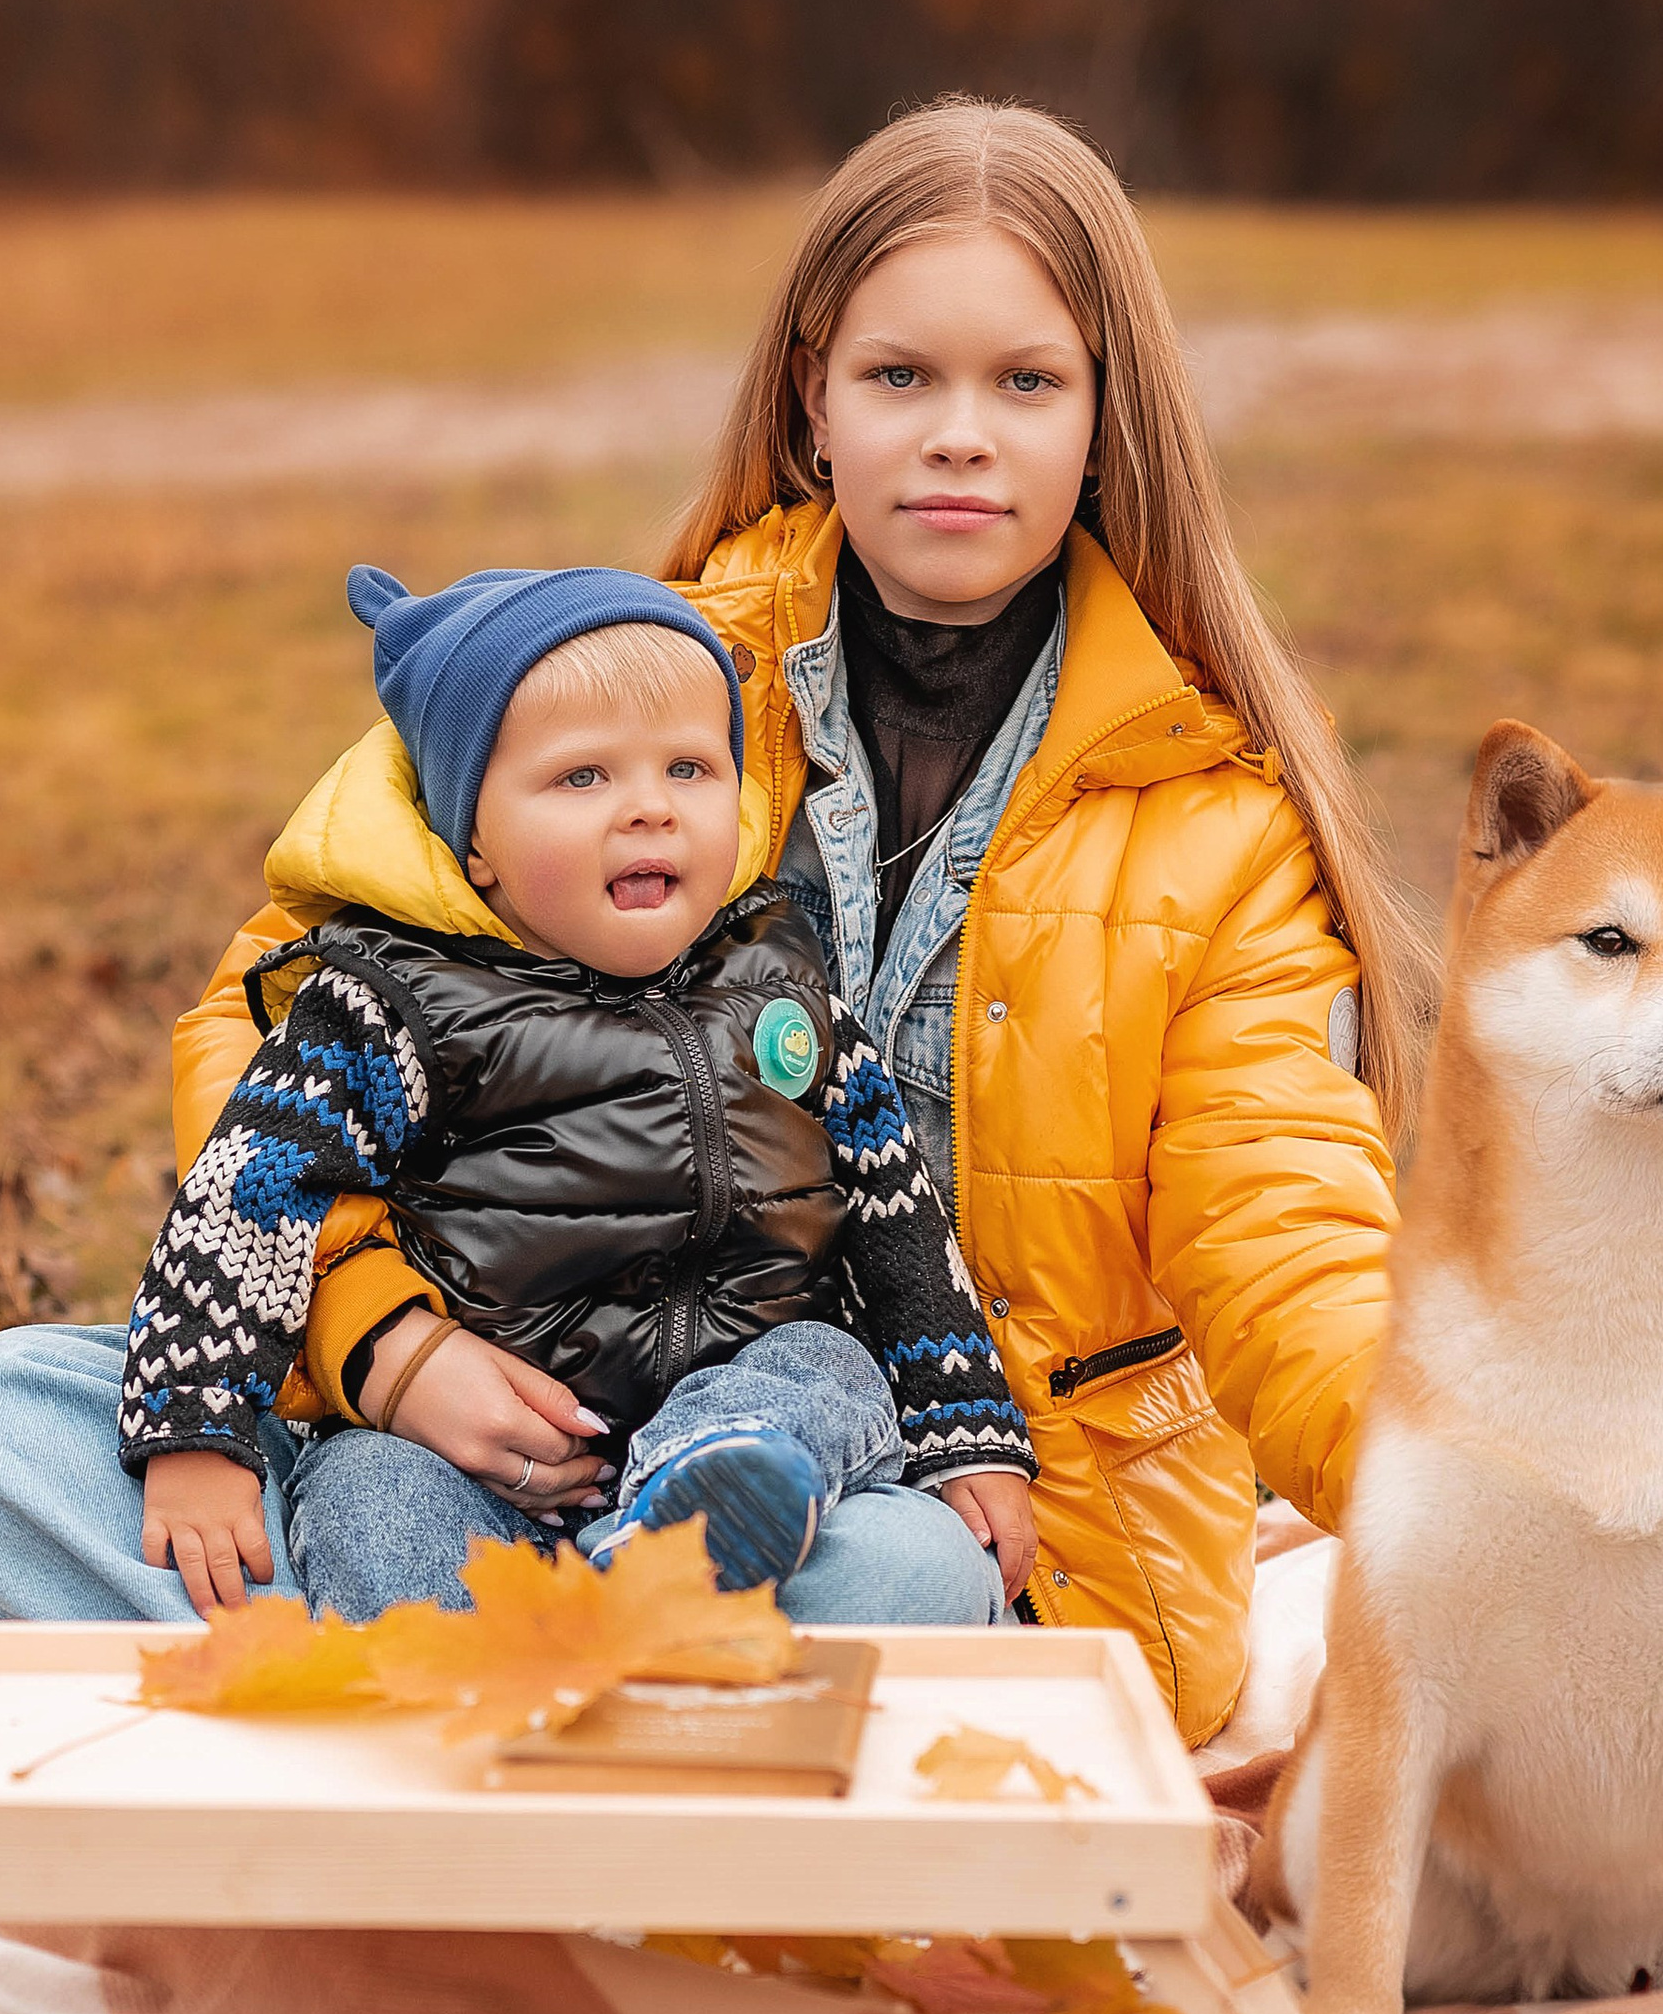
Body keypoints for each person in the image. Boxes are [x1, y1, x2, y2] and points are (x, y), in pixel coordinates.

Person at [0, 96, 1426, 1735]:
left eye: (1028, 381)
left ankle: (424, 1700)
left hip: (879, 1476)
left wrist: (1448, 1484)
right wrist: (391, 1349)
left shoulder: (1218, 819)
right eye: (902, 376)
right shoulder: (640, 676)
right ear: (814, 401)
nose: (961, 433)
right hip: (495, 1394)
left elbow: (1286, 1235)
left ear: (1108, 413)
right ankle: (580, 1706)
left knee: (903, 1590)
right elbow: (275, 1027)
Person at [125, 559, 1032, 1620]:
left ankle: (682, 1532)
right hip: (473, 1449)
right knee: (369, 1491)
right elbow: (251, 1194)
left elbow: (898, 1222)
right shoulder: (392, 1003)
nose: (649, 810)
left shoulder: (781, 982)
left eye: (689, 770)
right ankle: (449, 1687)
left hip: (727, 1418)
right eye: (583, 778)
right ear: (474, 844)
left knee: (827, 1363)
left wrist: (967, 1433)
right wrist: (196, 1428)